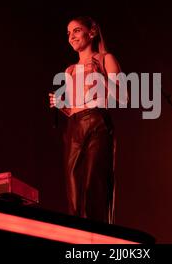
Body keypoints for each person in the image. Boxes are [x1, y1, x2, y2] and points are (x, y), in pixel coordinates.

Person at [49, 16, 126, 224]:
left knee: (94, 185)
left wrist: (102, 81)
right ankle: (78, 238)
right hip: (74, 127)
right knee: (74, 188)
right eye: (68, 33)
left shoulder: (104, 58)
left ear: (91, 33)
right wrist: (60, 105)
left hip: (97, 123)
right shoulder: (70, 70)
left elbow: (125, 96)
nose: (71, 36)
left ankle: (98, 238)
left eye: (76, 30)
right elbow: (74, 108)